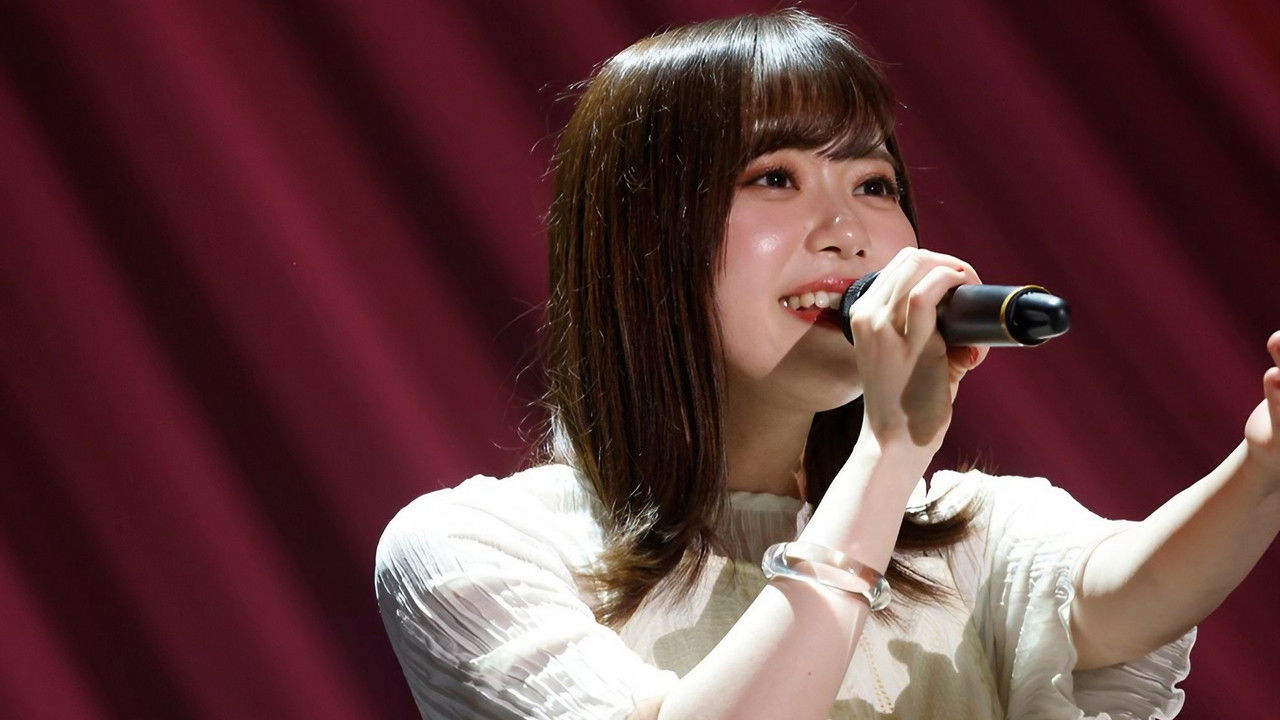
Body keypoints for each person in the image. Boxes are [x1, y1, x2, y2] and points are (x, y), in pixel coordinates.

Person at [375, 10, 1280, 719]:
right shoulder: (476, 550)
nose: (847, 231)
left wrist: (1266, 461)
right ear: (644, 242)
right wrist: (888, 455)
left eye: (874, 184)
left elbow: (1124, 599)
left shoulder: (966, 535)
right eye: (775, 177)